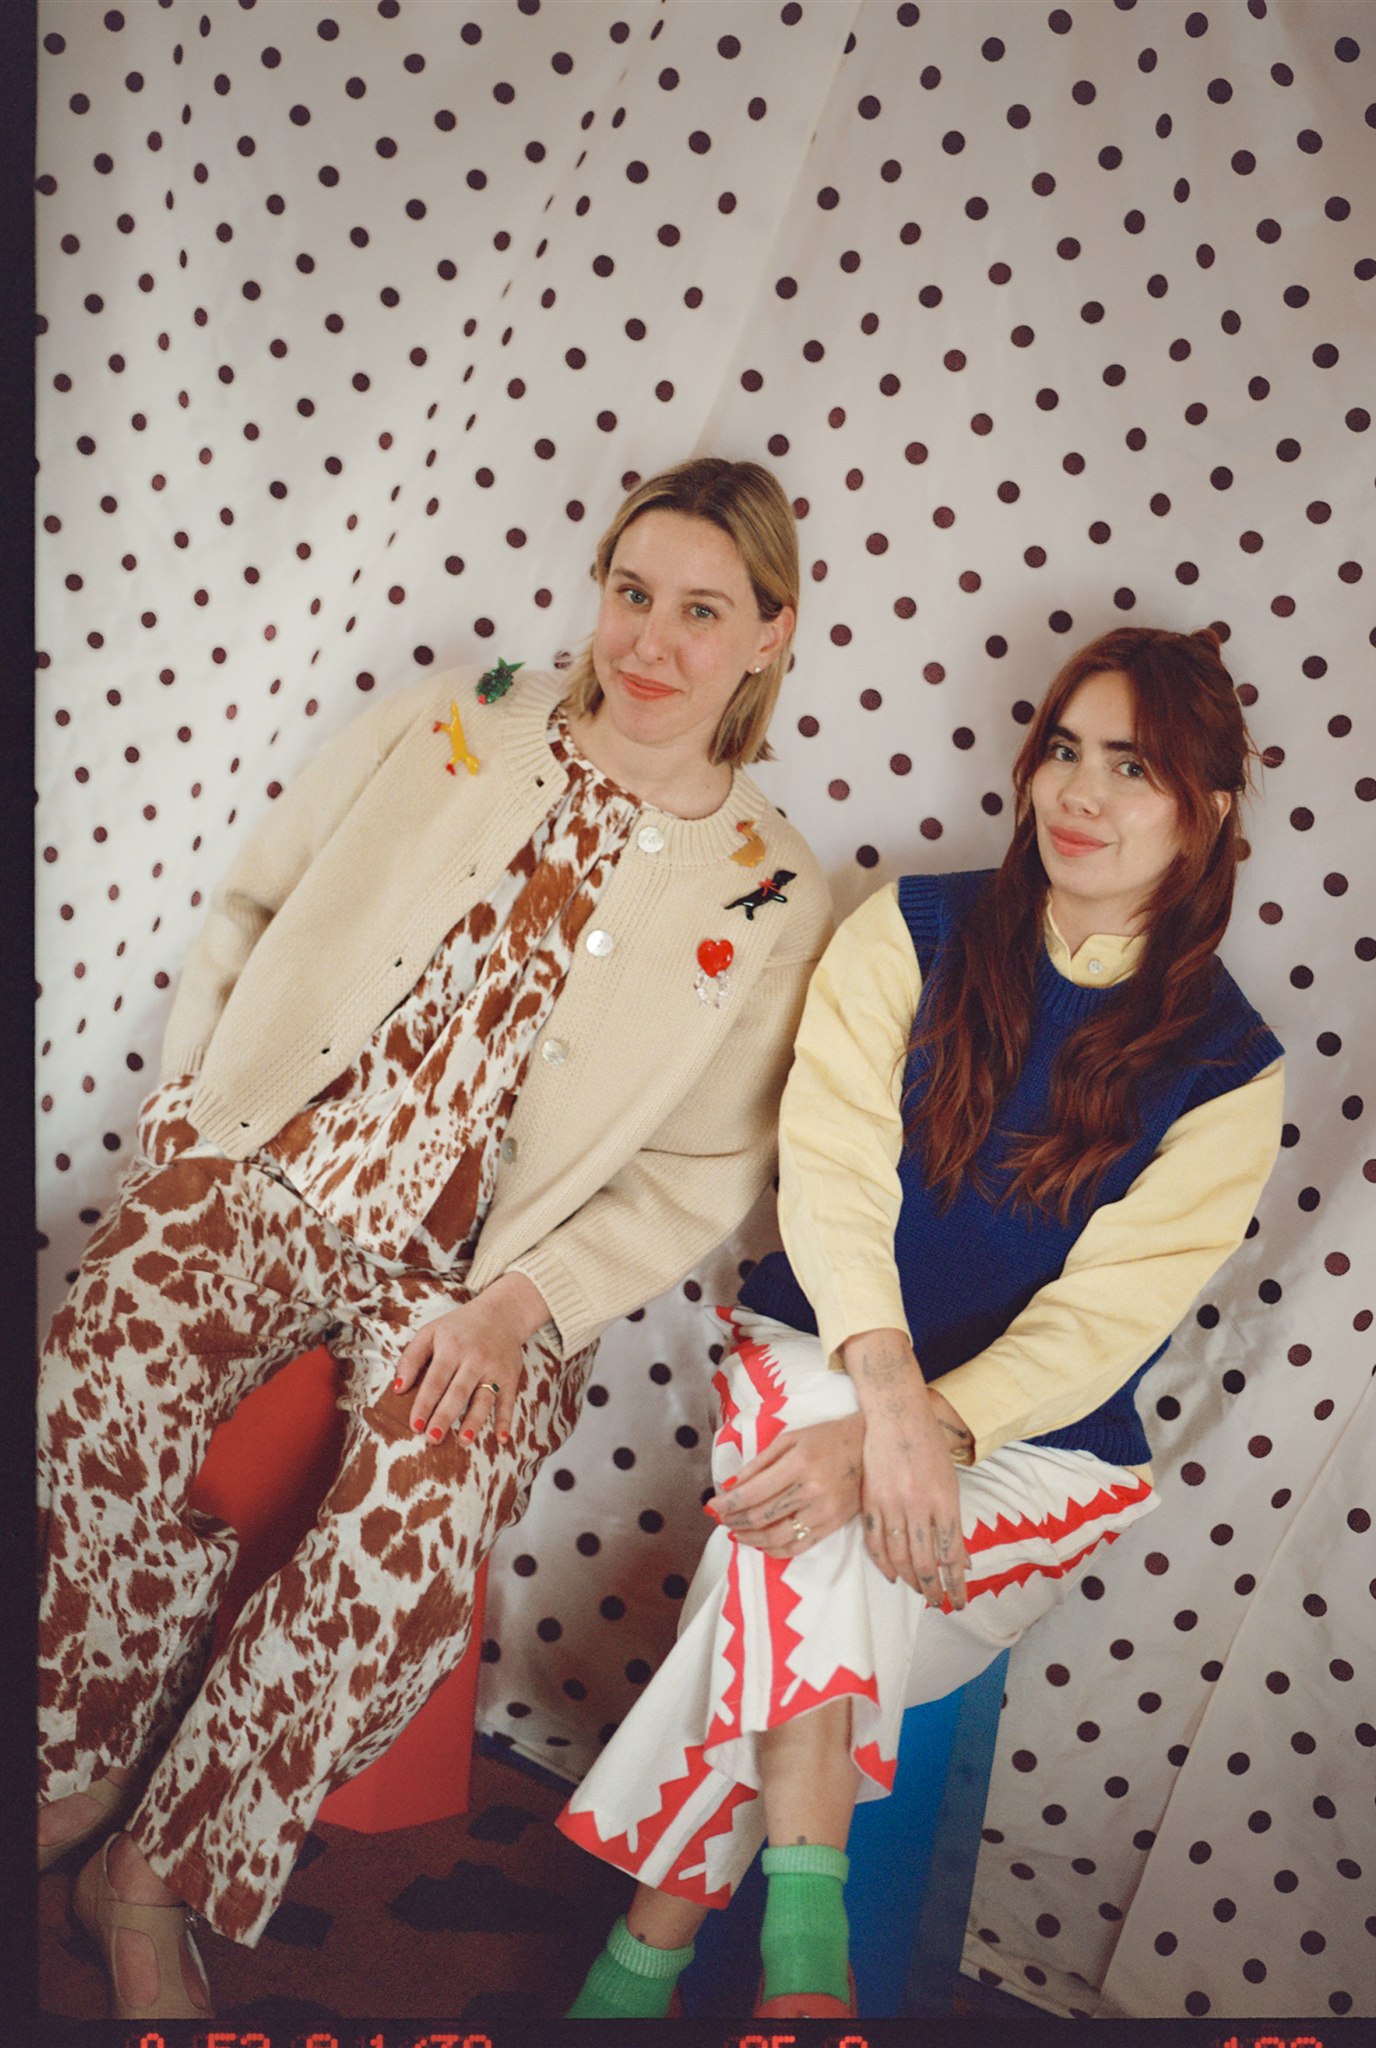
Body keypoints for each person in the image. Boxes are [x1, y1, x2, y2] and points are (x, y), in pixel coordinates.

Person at [36, 456, 834, 2020]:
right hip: (273, 1167)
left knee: (414, 1517)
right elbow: (255, 904)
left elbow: (701, 1173)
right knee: (93, 1366)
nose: (650, 646)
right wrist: (193, 1119)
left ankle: (156, 1876)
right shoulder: (454, 718)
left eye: (699, 612)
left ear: (766, 635)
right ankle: (71, 1757)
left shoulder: (773, 884)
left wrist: (523, 1303)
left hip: (490, 1284)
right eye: (630, 596)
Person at [557, 625, 1285, 2020]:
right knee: (826, 1527)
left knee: (793, 1555)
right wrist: (883, 1406)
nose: (1078, 792)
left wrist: (915, 1438)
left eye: (1130, 767)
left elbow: (1104, 1322)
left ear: (1207, 811)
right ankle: (802, 1967)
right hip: (822, 1359)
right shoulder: (913, 928)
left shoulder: (1231, 1067)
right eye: (1063, 751)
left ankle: (639, 1964)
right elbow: (831, 1172)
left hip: (1039, 1447)